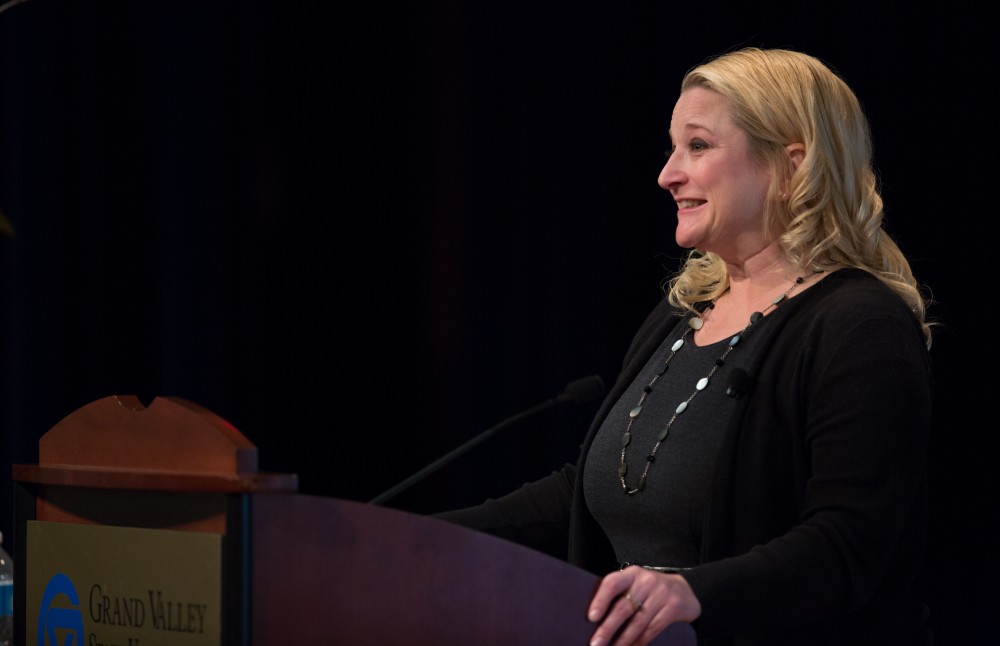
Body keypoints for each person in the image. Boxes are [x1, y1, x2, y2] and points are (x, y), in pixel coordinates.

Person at [433, 46, 934, 646]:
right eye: (673, 147)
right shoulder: (683, 314)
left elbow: (846, 546)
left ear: (791, 166)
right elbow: (590, 493)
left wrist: (693, 593)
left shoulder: (859, 326)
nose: (668, 173)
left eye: (697, 146)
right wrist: (417, 537)